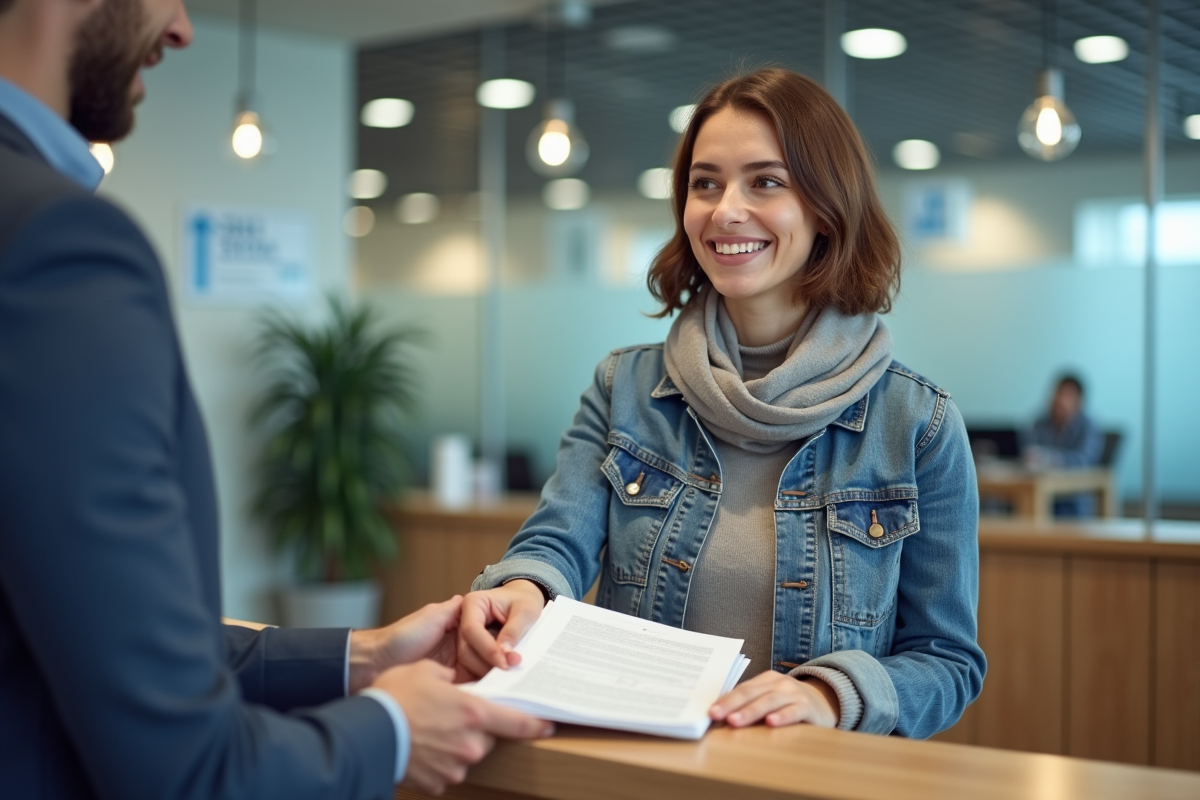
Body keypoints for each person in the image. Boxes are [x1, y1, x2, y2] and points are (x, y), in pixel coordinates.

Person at [0, 1, 551, 798]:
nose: (185, 27)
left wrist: (360, 658)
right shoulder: (54, 239)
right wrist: (392, 731)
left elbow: (67, 626)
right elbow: (185, 767)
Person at [456, 68, 985, 738]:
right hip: (643, 770)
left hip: (809, 782)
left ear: (826, 208)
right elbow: (557, 541)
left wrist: (829, 694)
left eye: (765, 181)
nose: (725, 209)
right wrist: (520, 590)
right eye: (705, 183)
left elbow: (947, 661)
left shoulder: (918, 424)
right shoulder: (624, 390)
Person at [1021, 373, 1104, 516]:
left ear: (1079, 401)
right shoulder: (1040, 422)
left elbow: (1085, 460)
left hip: (1072, 499)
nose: (1059, 399)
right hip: (1040, 495)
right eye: (1058, 392)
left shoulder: (1088, 426)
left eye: (1067, 395)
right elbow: (1028, 449)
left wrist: (1052, 459)